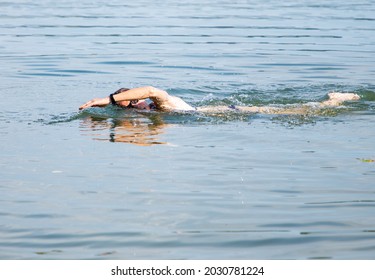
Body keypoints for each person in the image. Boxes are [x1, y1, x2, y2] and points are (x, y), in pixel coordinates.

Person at [79, 86, 360, 114]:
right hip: (228, 112)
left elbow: (151, 88)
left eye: (132, 103)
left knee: (297, 114)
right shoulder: (153, 115)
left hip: (234, 111)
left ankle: (334, 101)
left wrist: (110, 100)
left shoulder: (162, 105)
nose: (135, 107)